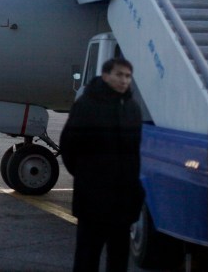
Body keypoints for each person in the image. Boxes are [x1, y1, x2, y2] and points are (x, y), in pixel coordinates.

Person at [59, 57, 144, 272]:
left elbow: (135, 153)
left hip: (123, 199)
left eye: (127, 76)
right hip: (93, 198)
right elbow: (69, 147)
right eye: (119, 75)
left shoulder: (132, 108)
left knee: (119, 258)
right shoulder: (86, 105)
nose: (124, 80)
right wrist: (87, 176)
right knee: (88, 256)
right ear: (105, 76)